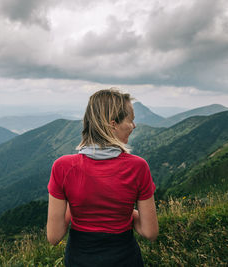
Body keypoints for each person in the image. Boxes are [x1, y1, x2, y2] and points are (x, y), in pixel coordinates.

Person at [47, 88, 158, 266]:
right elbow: (150, 232)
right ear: (113, 124)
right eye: (131, 120)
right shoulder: (138, 167)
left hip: (79, 260)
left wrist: (78, 207)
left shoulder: (63, 167)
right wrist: (122, 210)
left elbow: (54, 236)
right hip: (125, 260)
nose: (134, 126)